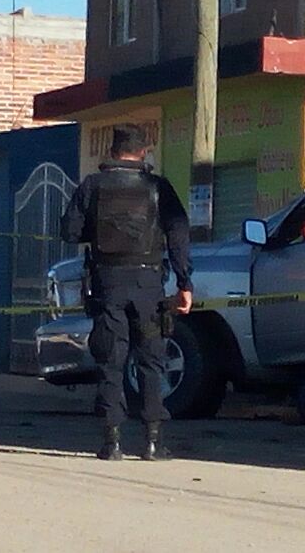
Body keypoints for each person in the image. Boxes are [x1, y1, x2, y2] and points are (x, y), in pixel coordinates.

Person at [60, 124, 193, 462]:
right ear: (143, 151)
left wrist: (99, 227)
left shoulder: (92, 185)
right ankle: (152, 442)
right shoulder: (157, 187)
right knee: (151, 362)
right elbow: (178, 232)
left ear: (113, 151)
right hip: (148, 286)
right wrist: (184, 282)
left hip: (108, 284)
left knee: (110, 361)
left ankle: (111, 442)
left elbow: (70, 232)